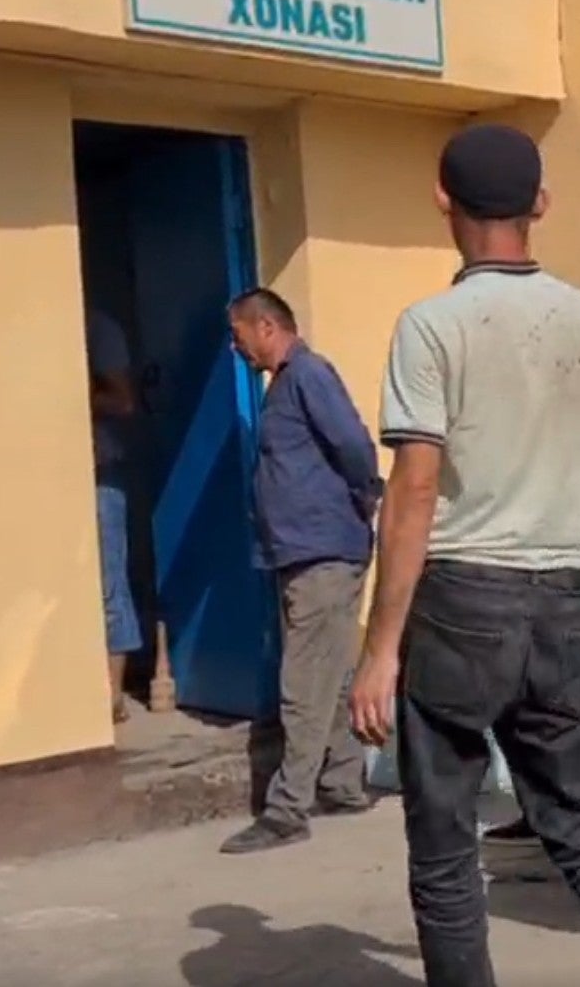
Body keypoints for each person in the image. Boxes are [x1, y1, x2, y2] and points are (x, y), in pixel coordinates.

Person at [347, 124, 580, 987]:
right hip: (566, 600)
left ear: (444, 200)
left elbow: (415, 493)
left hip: (463, 604)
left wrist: (380, 648)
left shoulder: (431, 328)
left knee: (443, 845)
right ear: (539, 205)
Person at [219, 288, 384, 854]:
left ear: (267, 327)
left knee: (303, 685)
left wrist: (365, 499)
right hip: (301, 552)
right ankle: (342, 783)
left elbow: (355, 447)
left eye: (239, 336)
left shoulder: (309, 375)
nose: (236, 349)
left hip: (323, 554)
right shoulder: (283, 386)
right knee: (329, 675)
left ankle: (287, 808)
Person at [86, 305, 143, 725]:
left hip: (101, 471)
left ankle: (113, 696)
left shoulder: (98, 327)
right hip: (62, 476)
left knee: (108, 585)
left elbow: (122, 400)